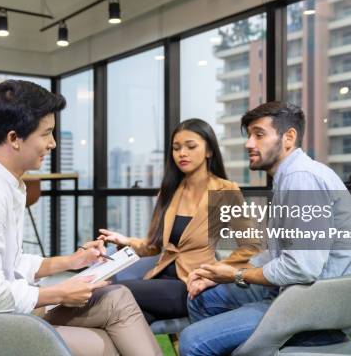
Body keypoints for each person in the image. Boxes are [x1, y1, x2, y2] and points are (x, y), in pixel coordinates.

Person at [0, 80, 161, 356]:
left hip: (1, 313)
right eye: (46, 133)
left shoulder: (8, 184)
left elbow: (9, 263)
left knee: (118, 298)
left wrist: (72, 262)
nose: (53, 143)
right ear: (14, 138)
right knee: (106, 345)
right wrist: (60, 293)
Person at [179, 102, 351, 356]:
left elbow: (302, 266)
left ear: (288, 137)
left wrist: (236, 276)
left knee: (193, 341)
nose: (249, 144)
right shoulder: (291, 176)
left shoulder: (301, 178)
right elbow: (276, 255)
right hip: (300, 292)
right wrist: (224, 272)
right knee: (203, 298)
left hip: (314, 306)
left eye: (259, 134)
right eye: (249, 136)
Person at [98, 118, 260, 324]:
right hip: (158, 278)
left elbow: (251, 245)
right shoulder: (169, 191)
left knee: (111, 292)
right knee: (123, 319)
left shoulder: (224, 190)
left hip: (191, 283)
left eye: (191, 146)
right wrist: (126, 240)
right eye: (176, 148)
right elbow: (154, 247)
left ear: (209, 151)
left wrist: (216, 273)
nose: (182, 153)